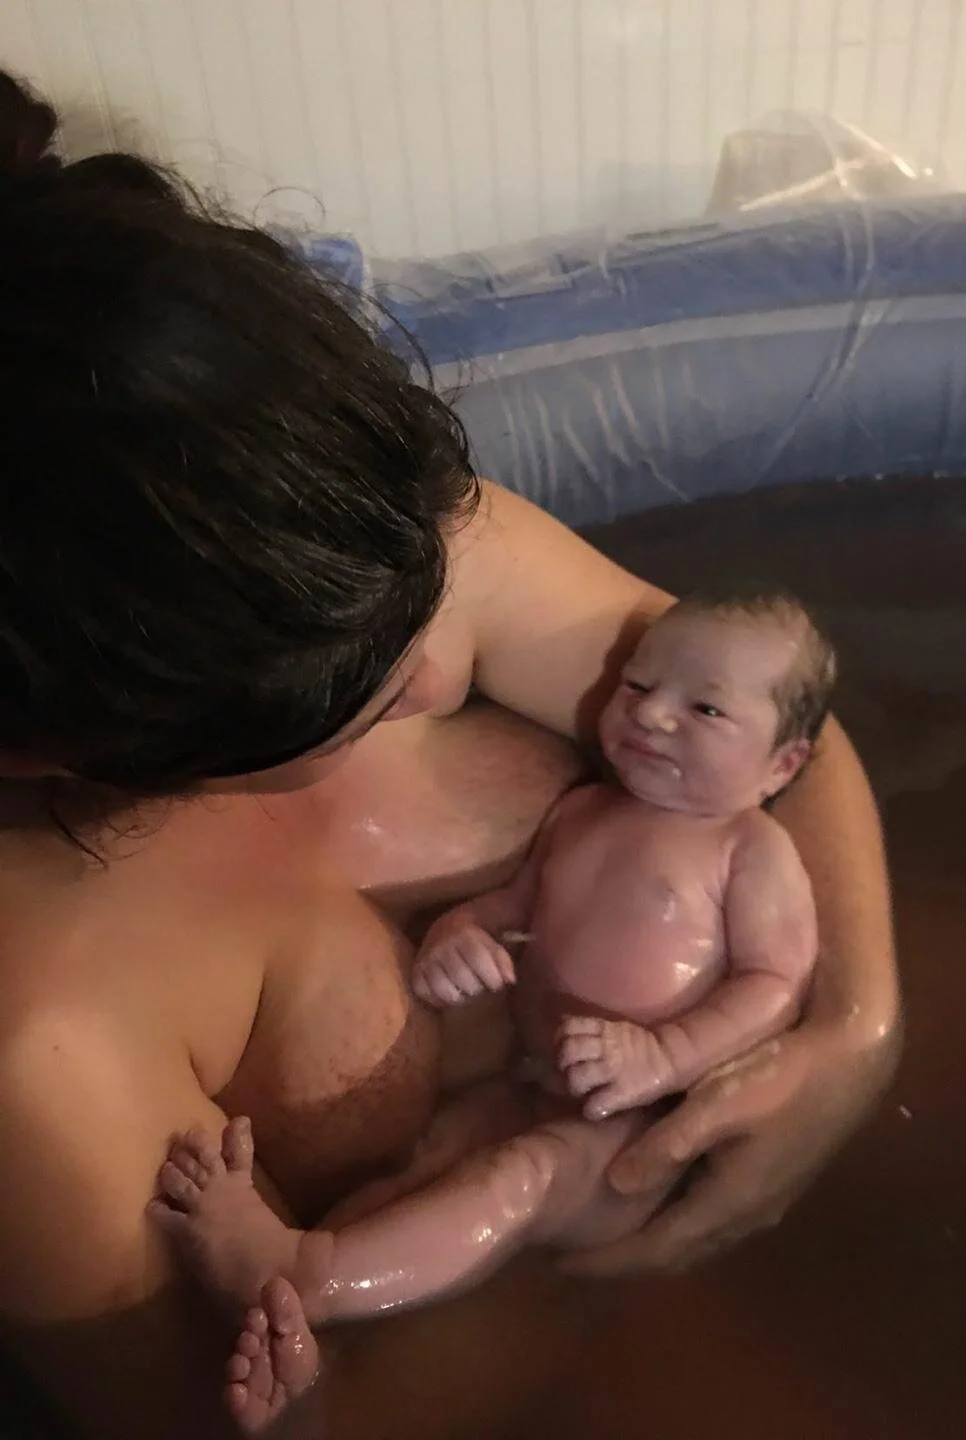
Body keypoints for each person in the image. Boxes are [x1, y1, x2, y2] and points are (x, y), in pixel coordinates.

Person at [0, 69, 897, 1440]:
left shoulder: (334, 522)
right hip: (527, 1310)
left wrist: (851, 1039)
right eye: (348, 694)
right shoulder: (43, 1044)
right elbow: (270, 1412)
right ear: (61, 747)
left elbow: (783, 725)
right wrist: (591, 1248)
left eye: (426, 594)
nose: (438, 669)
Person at [151, 591, 831, 1436]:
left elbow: (775, 982)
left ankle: (307, 1270)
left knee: (517, 1182)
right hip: (535, 1077)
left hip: (635, 1128)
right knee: (429, 1166)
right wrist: (455, 937)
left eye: (704, 708)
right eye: (636, 684)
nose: (651, 715)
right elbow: (510, 905)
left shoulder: (751, 851)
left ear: (783, 765)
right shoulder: (584, 812)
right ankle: (305, 1341)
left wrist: (665, 1057)